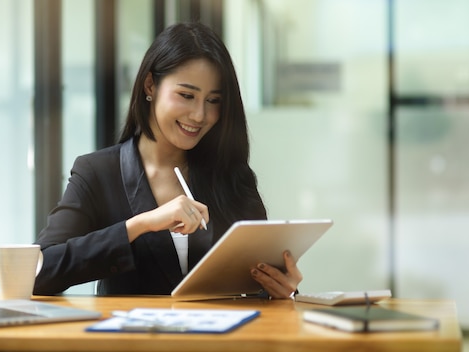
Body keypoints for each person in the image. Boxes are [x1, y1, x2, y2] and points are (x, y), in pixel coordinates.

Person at [33, 22, 302, 299]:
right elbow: (39, 271)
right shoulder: (99, 172)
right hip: (136, 341)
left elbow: (259, 280)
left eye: (213, 100)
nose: (200, 115)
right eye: (186, 95)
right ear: (151, 85)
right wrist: (140, 225)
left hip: (220, 342)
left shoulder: (230, 174)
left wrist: (282, 290)